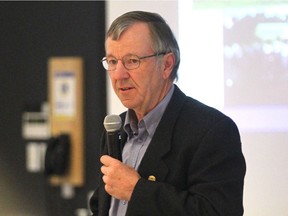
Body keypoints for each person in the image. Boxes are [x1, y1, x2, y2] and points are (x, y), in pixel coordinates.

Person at [90, 11, 246, 216]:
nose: (119, 75)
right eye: (112, 62)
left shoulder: (212, 131)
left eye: (132, 61)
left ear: (166, 64)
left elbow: (217, 212)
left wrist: (137, 191)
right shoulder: (116, 130)